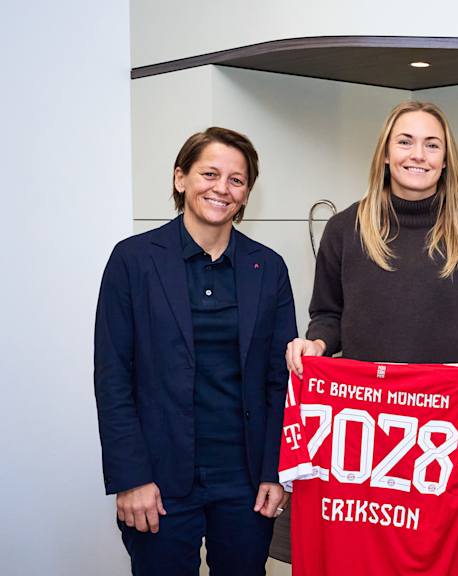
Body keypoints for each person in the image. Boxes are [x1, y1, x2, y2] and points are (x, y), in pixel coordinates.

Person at [95, 127, 298, 574]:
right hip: (159, 477)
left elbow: (278, 381)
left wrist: (274, 471)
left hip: (244, 479)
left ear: (246, 195)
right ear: (180, 178)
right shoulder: (133, 261)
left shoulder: (268, 268)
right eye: (209, 173)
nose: (221, 188)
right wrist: (131, 478)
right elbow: (113, 378)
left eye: (236, 180)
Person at [285, 101, 458, 380]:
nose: (418, 155)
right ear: (385, 153)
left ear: (445, 160)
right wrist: (316, 344)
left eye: (432, 145)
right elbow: (327, 315)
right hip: (369, 403)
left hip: (449, 407)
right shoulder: (344, 229)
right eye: (405, 142)